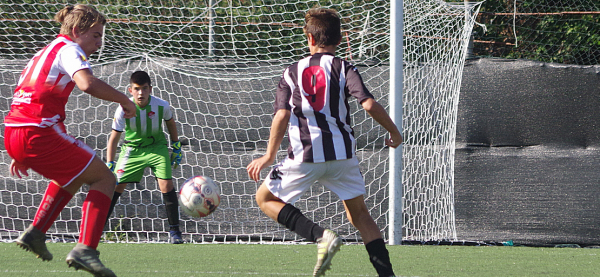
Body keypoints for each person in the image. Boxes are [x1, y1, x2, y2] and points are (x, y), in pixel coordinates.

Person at [246, 8, 401, 277]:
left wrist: (269, 154)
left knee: (264, 198)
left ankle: (320, 237)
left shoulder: (291, 72)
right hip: (342, 157)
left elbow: (281, 115)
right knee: (360, 216)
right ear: (339, 40)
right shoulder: (344, 67)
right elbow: (368, 104)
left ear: (309, 38)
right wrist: (394, 132)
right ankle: (388, 276)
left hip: (304, 156)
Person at [4, 4, 137, 277]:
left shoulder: (45, 51)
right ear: (76, 31)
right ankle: (85, 249)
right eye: (96, 35)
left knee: (74, 174)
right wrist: (124, 99)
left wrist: (21, 149)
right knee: (105, 179)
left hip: (15, 131)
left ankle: (36, 233)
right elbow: (86, 83)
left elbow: (27, 92)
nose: (100, 43)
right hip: (37, 132)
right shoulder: (69, 49)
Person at [104, 70, 184, 244]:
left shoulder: (162, 105)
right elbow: (114, 137)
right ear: (130, 90)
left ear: (150, 89)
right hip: (132, 150)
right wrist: (110, 162)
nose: (141, 93)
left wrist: (176, 145)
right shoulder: (123, 109)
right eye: (137, 89)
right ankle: (98, 228)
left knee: (166, 184)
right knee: (116, 185)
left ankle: (175, 232)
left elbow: (170, 122)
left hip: (157, 148)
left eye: (145, 89)